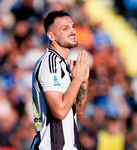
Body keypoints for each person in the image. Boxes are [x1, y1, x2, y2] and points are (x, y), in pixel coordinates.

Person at [30, 10, 90, 150]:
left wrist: (83, 82)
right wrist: (77, 79)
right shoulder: (49, 64)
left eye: (73, 26)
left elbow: (79, 109)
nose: (73, 31)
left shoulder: (63, 64)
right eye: (65, 28)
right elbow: (60, 111)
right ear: (51, 36)